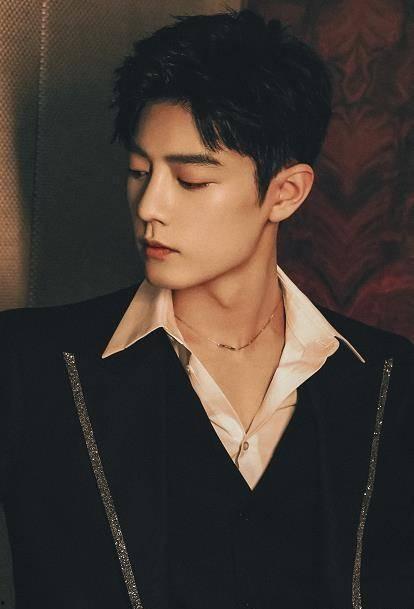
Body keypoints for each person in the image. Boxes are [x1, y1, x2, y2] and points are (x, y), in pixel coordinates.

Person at [0, 8, 413, 609]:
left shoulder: (390, 381)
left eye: (190, 181)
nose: (150, 206)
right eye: (138, 172)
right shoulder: (26, 365)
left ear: (286, 193)